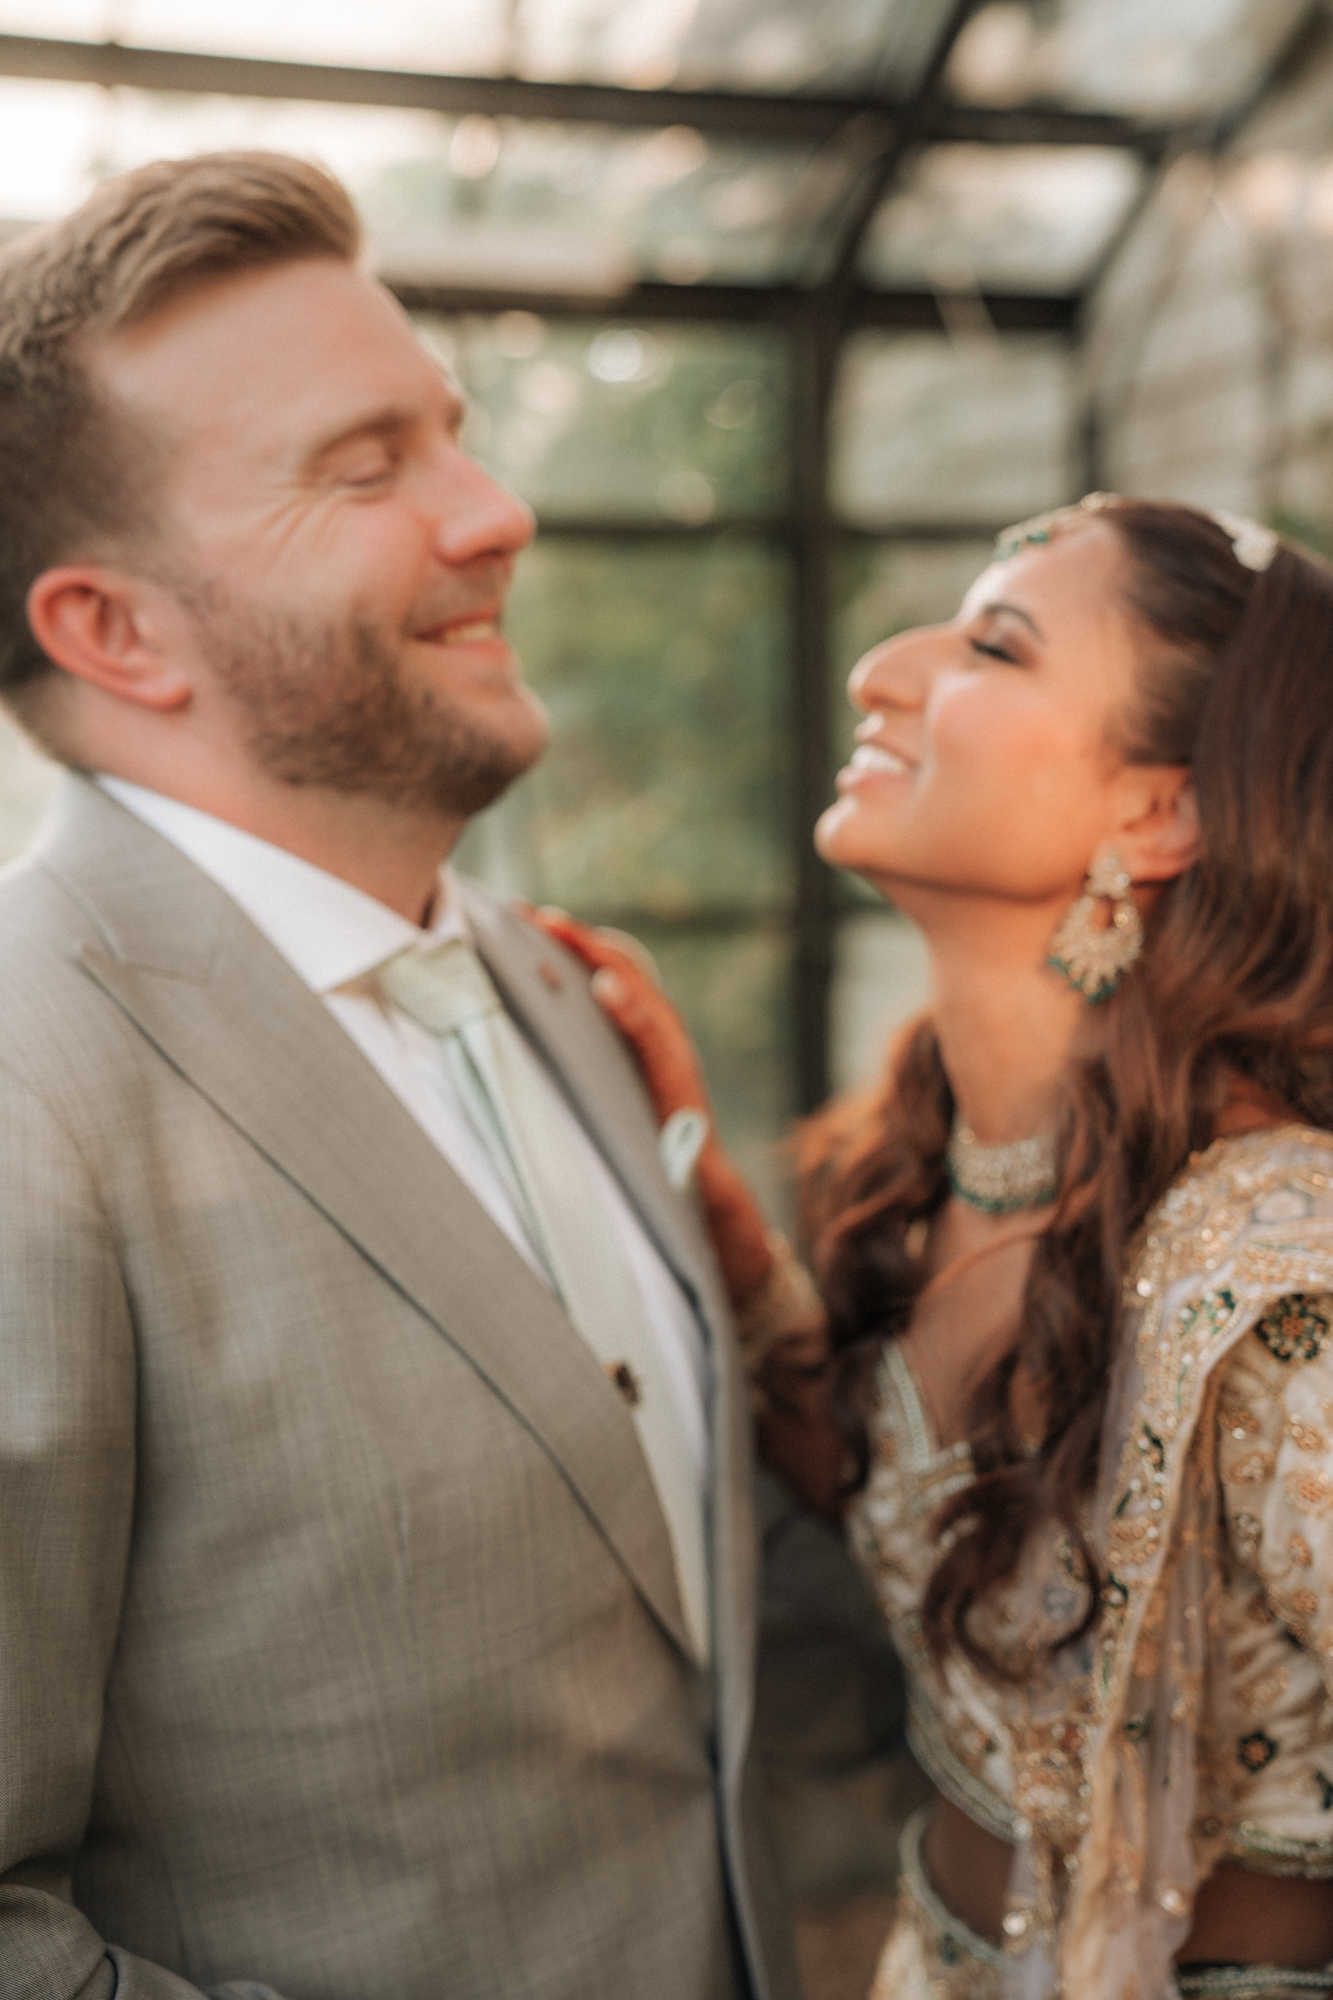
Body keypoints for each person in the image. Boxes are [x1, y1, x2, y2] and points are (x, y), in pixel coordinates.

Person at [0, 151, 802, 2000]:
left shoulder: (549, 982)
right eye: (366, 470)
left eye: (453, 434)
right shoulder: (29, 1093)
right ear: (114, 629)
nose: (499, 512)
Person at [547, 494, 1333, 1999]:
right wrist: (702, 1197)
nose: (879, 671)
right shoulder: (924, 1171)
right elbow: (907, 1505)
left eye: (994, 645)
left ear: (1155, 813)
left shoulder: (1279, 1280)